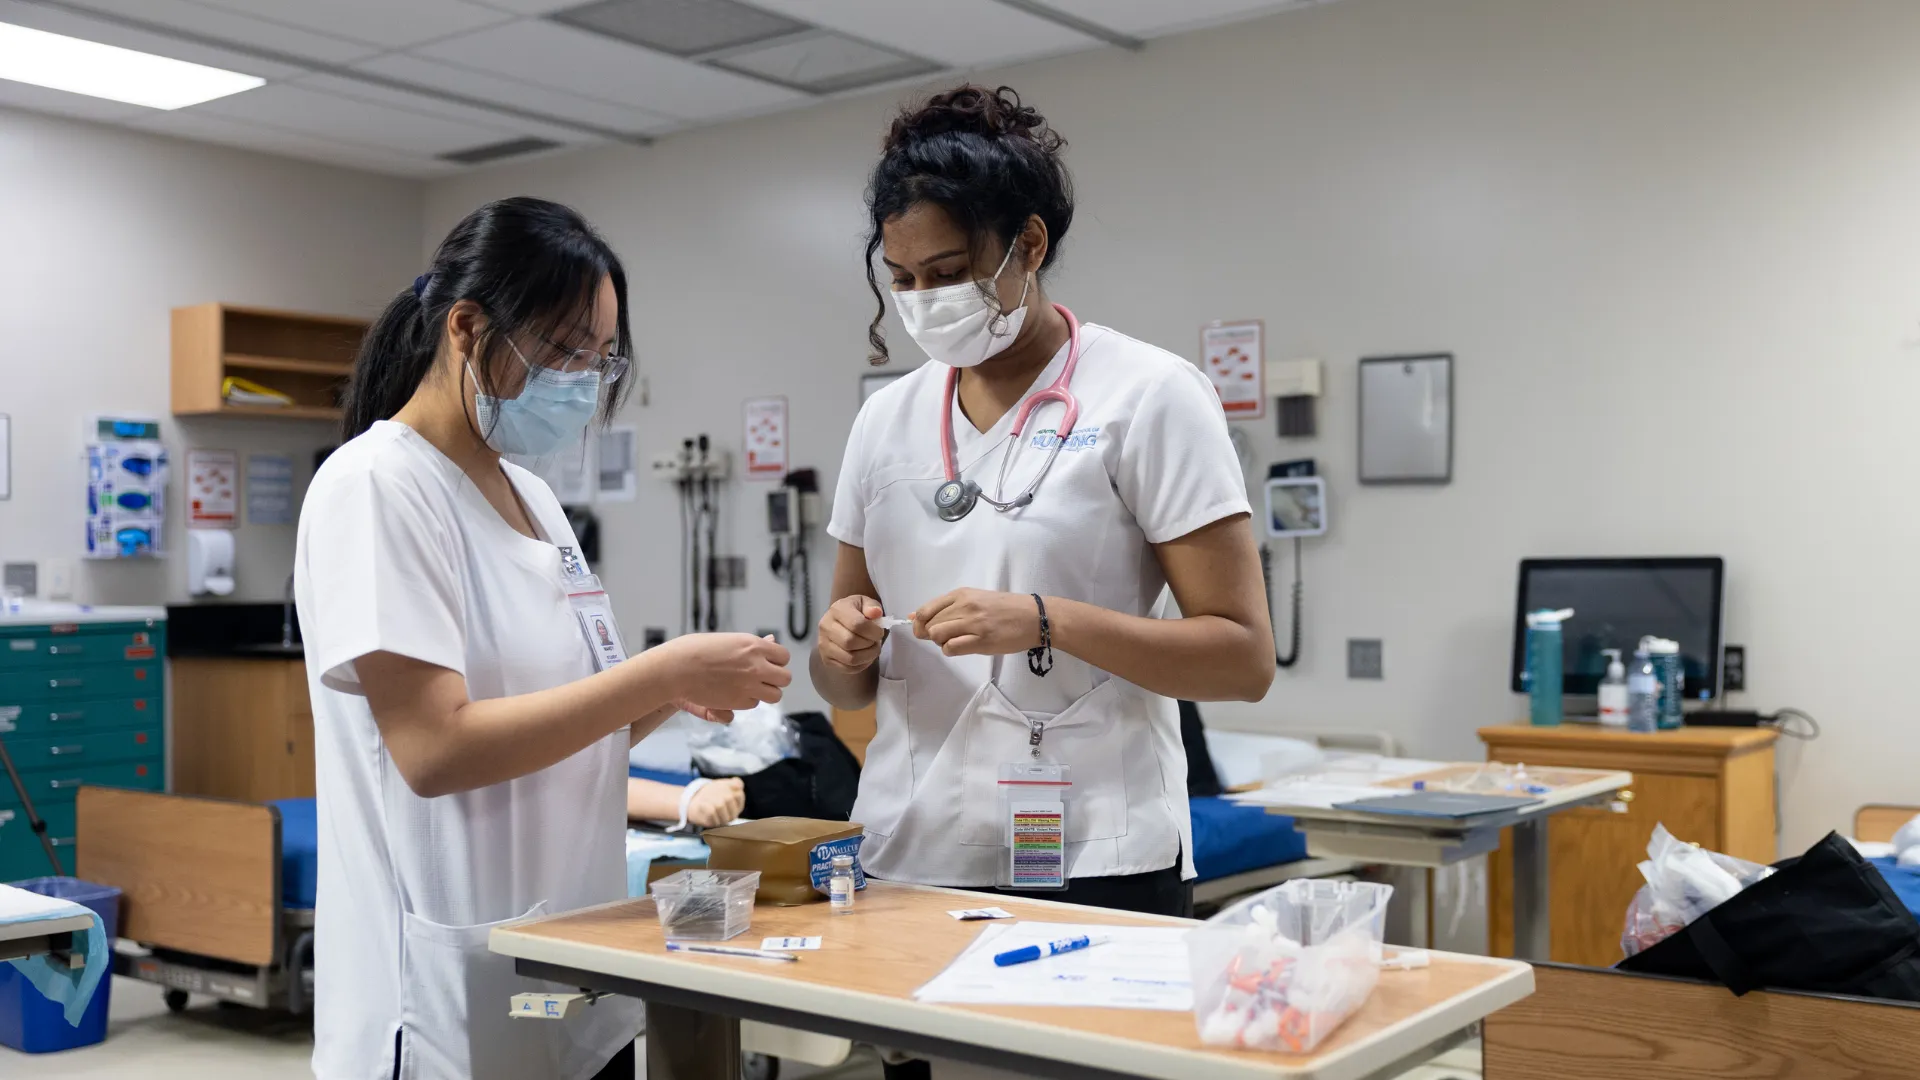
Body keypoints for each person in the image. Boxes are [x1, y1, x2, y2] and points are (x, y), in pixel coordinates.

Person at [296, 197, 791, 1080]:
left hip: (565, 966)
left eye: (601, 358)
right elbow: (433, 748)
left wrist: (667, 693)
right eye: (563, 351)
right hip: (443, 991)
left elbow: (574, 724)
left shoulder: (536, 502)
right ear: (466, 327)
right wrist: (655, 672)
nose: (583, 379)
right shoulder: (376, 486)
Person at [812, 84, 1275, 938]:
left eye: (949, 274)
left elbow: (1243, 660)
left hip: (1096, 854)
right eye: (903, 279)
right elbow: (844, 679)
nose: (923, 299)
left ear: (1029, 243)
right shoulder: (886, 419)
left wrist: (1043, 621)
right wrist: (839, 645)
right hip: (912, 850)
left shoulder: (1151, 395)